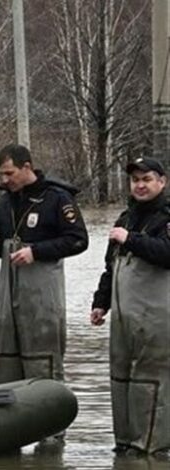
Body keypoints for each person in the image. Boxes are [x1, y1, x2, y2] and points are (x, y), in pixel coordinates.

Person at [0, 144, 88, 388]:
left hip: (42, 302)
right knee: (2, 368)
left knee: (42, 371)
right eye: (1, 175)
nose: (5, 180)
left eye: (10, 173)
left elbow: (78, 240)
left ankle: (51, 423)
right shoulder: (4, 204)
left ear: (27, 167)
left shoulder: (56, 198)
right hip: (8, 301)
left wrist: (36, 252)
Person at [89, 157, 169, 457]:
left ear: (162, 182)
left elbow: (167, 254)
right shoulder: (124, 218)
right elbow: (111, 267)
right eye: (135, 180)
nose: (140, 185)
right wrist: (101, 302)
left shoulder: (166, 217)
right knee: (120, 378)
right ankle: (125, 447)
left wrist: (132, 239)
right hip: (123, 318)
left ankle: (151, 447)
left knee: (151, 381)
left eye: (147, 179)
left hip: (158, 318)